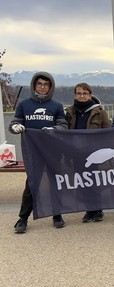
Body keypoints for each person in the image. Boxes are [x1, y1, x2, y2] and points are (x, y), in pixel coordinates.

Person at [9, 71, 68, 233]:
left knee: (54, 183)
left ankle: (57, 215)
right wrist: (14, 127)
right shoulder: (24, 104)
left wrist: (54, 129)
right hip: (33, 152)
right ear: (34, 85)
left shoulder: (56, 106)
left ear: (50, 87)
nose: (42, 87)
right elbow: (15, 122)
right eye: (39, 84)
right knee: (32, 184)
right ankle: (22, 219)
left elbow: (63, 125)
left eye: (45, 84)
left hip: (52, 151)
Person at [65, 83, 111, 223]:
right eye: (79, 93)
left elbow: (108, 132)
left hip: (94, 153)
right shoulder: (69, 112)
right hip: (76, 152)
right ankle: (88, 210)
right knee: (82, 181)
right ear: (75, 95)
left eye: (85, 93)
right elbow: (64, 131)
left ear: (90, 95)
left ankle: (97, 209)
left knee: (94, 181)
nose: (82, 96)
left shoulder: (100, 112)